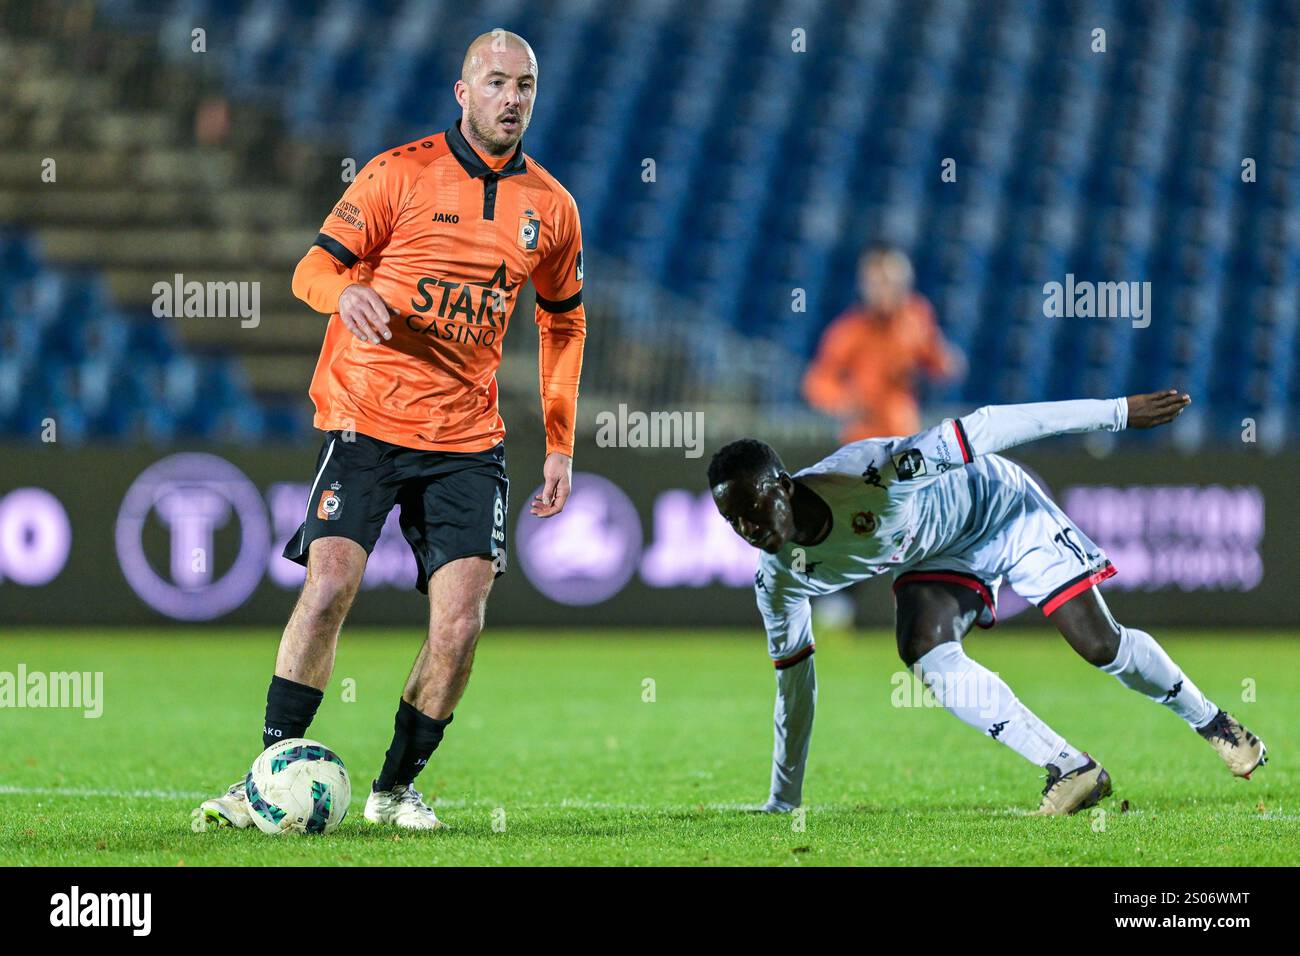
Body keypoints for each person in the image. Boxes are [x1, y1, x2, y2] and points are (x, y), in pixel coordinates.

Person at [197, 29, 586, 831]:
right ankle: (265, 774)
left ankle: (394, 789)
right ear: (462, 91)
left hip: (468, 438)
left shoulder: (551, 207)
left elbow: (563, 321)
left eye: (525, 85)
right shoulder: (396, 174)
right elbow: (312, 268)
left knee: (460, 624)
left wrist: (558, 439)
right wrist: (342, 295)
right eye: (496, 82)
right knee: (331, 582)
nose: (512, 98)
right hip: (368, 418)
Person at [708, 390, 1266, 815]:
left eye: (753, 506)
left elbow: (990, 425)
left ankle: (1216, 724)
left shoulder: (875, 473)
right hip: (937, 554)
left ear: (782, 485)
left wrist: (1118, 412)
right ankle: (1071, 768)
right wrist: (784, 800)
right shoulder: (777, 579)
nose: (748, 527)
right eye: (733, 520)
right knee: (923, 650)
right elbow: (794, 689)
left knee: (1100, 644)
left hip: (1001, 507)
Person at [803, 243, 961, 442]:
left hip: (906, 431)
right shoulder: (849, 330)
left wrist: (943, 360)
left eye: (892, 283)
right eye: (878, 283)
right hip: (864, 436)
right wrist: (845, 402)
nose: (885, 291)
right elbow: (818, 381)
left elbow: (940, 363)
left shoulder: (916, 316)